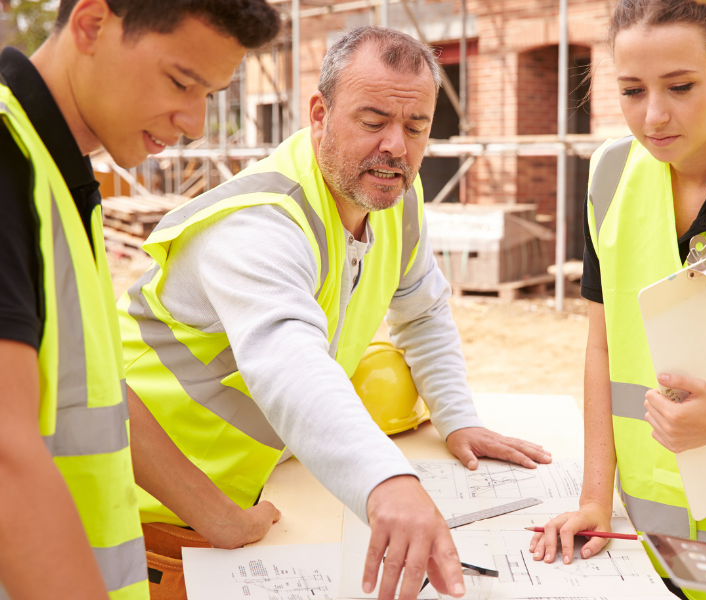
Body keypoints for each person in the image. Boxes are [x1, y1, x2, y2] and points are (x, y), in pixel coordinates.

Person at [117, 26, 553, 600]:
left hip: (255, 496)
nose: (396, 146)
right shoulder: (257, 222)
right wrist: (388, 484)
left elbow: (421, 311)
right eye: (373, 122)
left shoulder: (393, 195)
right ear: (319, 114)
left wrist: (457, 416)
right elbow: (288, 361)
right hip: (153, 510)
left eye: (416, 126)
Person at [0, 0, 280, 598]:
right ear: (93, 24)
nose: (195, 122)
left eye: (211, 92)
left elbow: (93, 391)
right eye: (182, 81)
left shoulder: (56, 171)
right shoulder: (7, 162)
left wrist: (218, 518)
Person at [528, 1, 706, 598]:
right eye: (631, 90)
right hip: (648, 548)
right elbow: (602, 347)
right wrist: (595, 499)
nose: (654, 116)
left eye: (680, 86)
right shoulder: (608, 177)